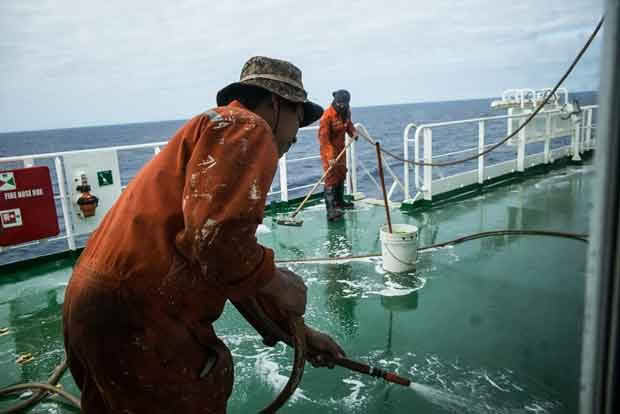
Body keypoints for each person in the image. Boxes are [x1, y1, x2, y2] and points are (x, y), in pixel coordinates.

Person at [63, 56, 345, 413]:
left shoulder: (211, 128)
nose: (295, 135)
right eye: (297, 119)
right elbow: (219, 243)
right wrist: (277, 282)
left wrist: (298, 336)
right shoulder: (247, 126)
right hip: (140, 315)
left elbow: (221, 264)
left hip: (95, 306)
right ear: (275, 104)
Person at [317, 89, 358, 221]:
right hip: (329, 150)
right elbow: (324, 140)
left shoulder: (346, 111)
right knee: (330, 178)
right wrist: (330, 158)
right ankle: (331, 211)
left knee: (341, 174)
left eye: (344, 104)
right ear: (335, 101)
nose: (342, 106)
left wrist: (353, 132)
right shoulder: (327, 116)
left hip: (341, 149)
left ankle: (340, 203)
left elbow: (348, 125)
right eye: (339, 103)